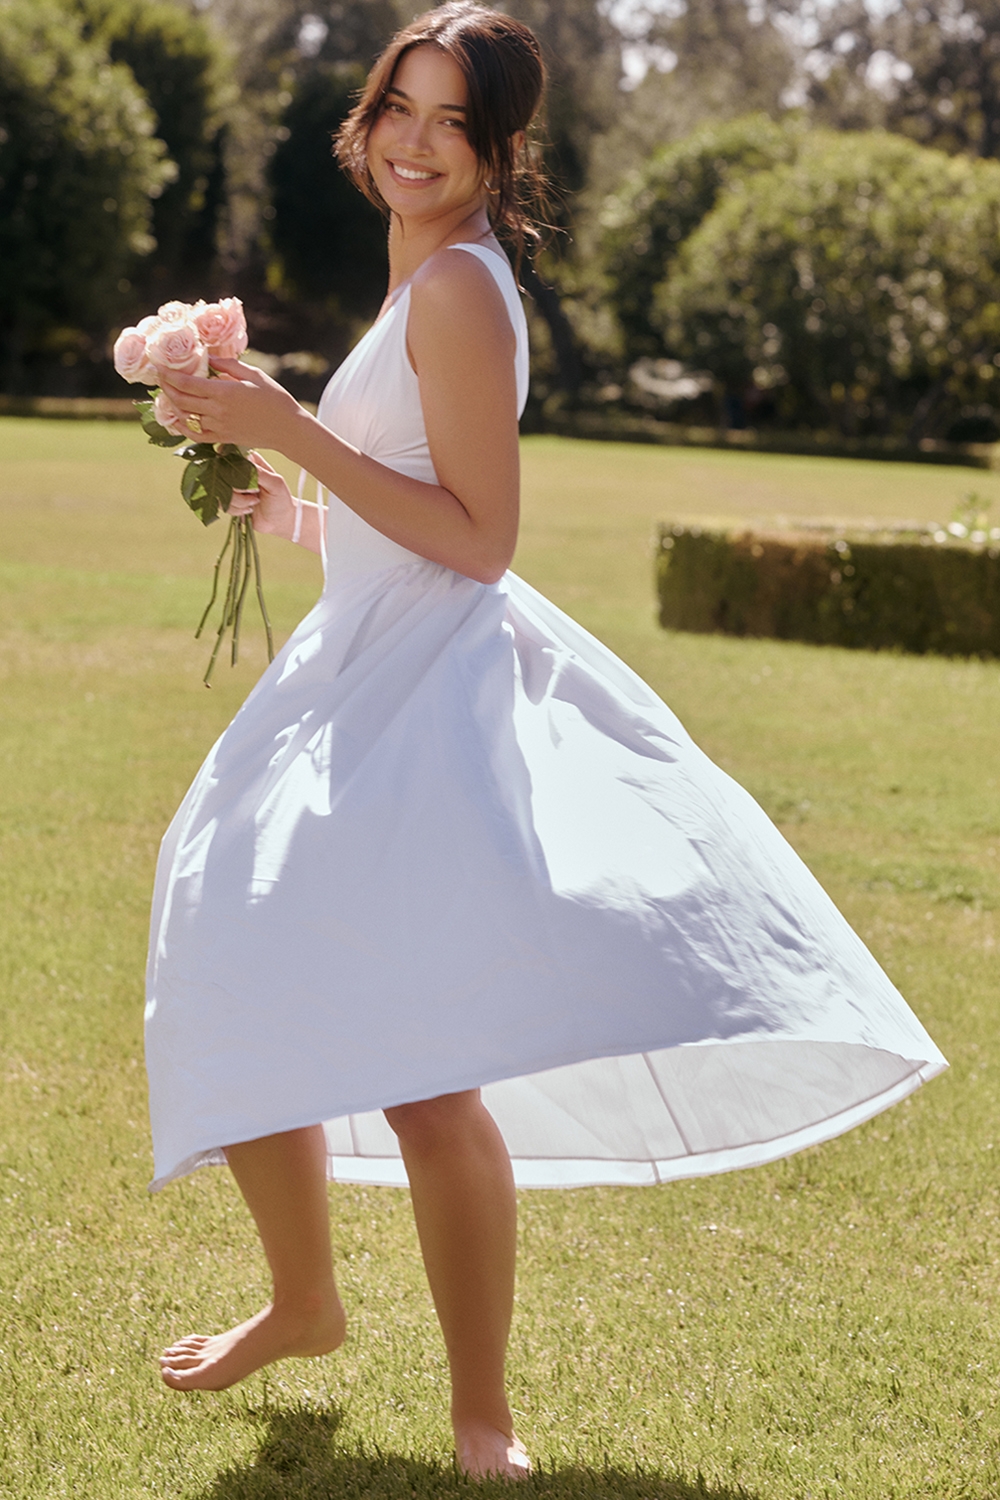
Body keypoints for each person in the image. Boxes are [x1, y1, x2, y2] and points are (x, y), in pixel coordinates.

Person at [148, 0, 945, 1481]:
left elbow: (485, 540)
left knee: (421, 1064)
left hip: (425, 696)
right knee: (232, 947)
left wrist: (288, 426)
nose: (417, 143)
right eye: (402, 106)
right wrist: (291, 503)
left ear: (502, 149)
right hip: (364, 661)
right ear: (370, 109)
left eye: (456, 123)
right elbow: (414, 503)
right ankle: (306, 1299)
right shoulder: (415, 269)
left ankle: (480, 1417)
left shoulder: (457, 287)